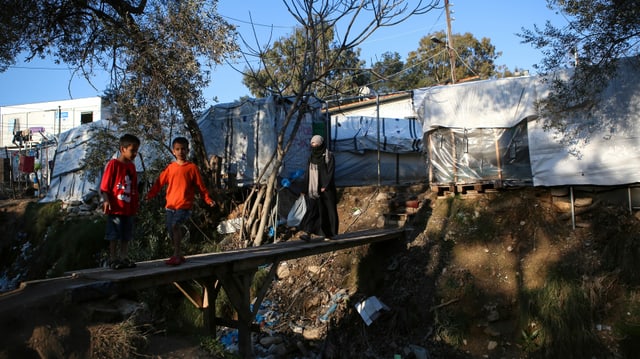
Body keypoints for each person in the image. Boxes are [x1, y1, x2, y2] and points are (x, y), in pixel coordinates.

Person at [146, 137, 215, 266]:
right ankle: (179, 253)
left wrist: (207, 199)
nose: (180, 151)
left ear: (187, 150)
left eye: (183, 149)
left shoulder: (192, 168)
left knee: (175, 225)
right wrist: (150, 195)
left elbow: (200, 186)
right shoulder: (170, 168)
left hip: (184, 205)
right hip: (170, 206)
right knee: (171, 230)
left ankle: (176, 255)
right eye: (177, 149)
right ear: (173, 151)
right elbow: (159, 182)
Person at [100, 134, 141, 270]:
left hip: (128, 208)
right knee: (114, 233)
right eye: (132, 150)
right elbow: (105, 186)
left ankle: (123, 257)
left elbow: (134, 187)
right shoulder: (113, 165)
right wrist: (106, 201)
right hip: (116, 207)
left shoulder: (132, 167)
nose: (134, 154)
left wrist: (136, 205)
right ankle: (113, 258)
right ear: (123, 149)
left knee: (126, 234)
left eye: (136, 151)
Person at [298, 134, 339, 240]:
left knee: (327, 210)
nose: (313, 145)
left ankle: (329, 234)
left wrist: (325, 185)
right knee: (312, 210)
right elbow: (308, 174)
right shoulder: (311, 157)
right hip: (313, 189)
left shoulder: (328, 155)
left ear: (320, 143)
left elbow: (330, 172)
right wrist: (304, 189)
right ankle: (308, 233)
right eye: (312, 143)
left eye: (315, 143)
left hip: (326, 190)